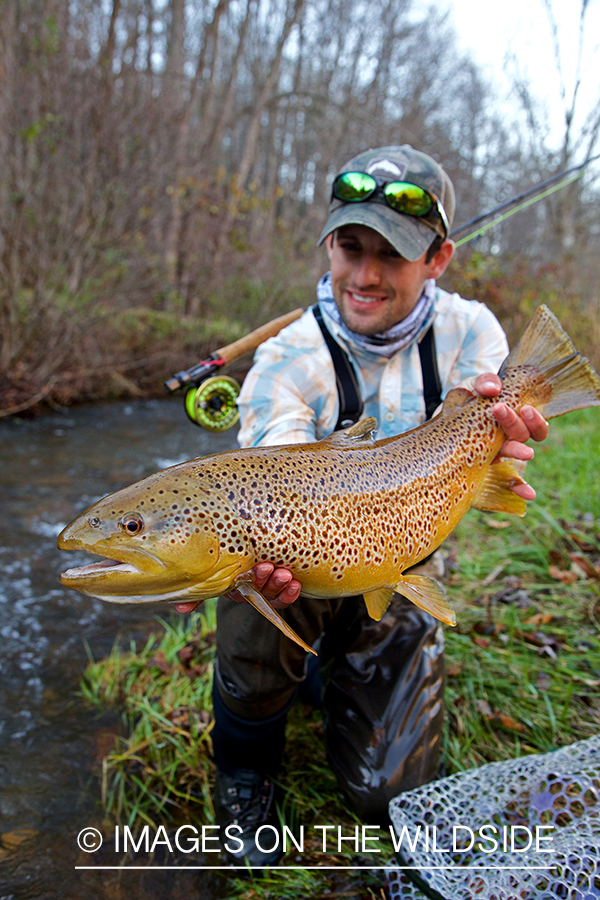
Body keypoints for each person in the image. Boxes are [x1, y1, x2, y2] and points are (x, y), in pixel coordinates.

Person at [175, 145, 548, 865]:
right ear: (329, 245)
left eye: (393, 254)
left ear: (437, 259)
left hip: (405, 561)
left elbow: (503, 435)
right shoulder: (286, 360)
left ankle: (328, 670)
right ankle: (246, 768)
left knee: (384, 795)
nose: (366, 274)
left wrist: (509, 437)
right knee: (251, 587)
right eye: (351, 247)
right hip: (305, 565)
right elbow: (270, 489)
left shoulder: (473, 336)